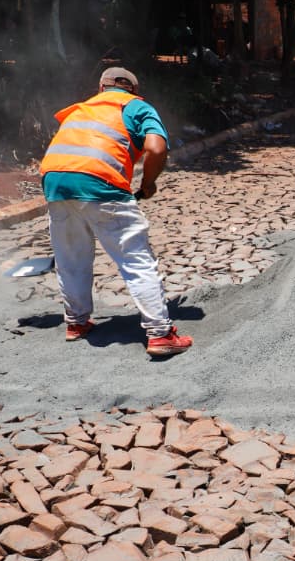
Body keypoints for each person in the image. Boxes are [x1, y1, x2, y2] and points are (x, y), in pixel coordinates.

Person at [39, 66, 192, 357]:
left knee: (71, 258)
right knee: (135, 258)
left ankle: (76, 322)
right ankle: (160, 333)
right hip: (100, 183)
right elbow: (156, 149)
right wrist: (148, 184)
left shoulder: (79, 110)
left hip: (55, 182)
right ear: (133, 91)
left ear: (101, 88)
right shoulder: (137, 107)